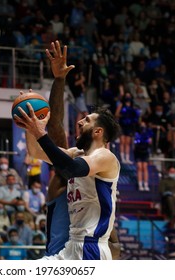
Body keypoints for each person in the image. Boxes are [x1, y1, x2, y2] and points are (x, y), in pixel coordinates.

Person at [14, 41, 121, 260]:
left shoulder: (105, 157)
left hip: (90, 248)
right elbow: (36, 152)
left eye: (87, 120)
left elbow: (71, 168)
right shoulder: (76, 153)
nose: (81, 122)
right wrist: (31, 124)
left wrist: (41, 133)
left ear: (99, 131)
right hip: (73, 246)